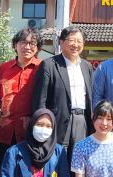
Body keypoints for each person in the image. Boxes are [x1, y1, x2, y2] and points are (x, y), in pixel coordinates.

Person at [31, 26, 95, 161]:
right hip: (58, 120)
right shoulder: (49, 65)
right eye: (71, 40)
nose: (76, 45)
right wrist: (41, 123)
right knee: (57, 159)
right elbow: (40, 99)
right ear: (61, 42)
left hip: (82, 120)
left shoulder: (86, 66)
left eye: (79, 41)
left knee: (78, 159)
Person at [0, 28, 41, 169]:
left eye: (32, 43)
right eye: (23, 42)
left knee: (25, 174)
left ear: (37, 48)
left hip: (30, 133)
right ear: (15, 45)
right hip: (4, 132)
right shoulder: (3, 68)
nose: (27, 47)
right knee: (1, 171)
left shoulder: (43, 68)